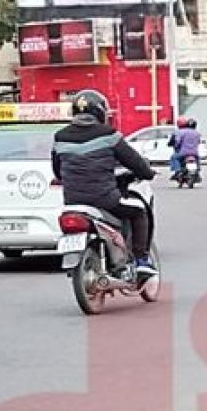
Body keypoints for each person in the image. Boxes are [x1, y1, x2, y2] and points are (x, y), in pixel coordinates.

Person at [51, 92, 157, 278]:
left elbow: (58, 170)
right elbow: (134, 162)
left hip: (73, 200)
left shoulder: (60, 137)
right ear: (101, 112)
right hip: (105, 199)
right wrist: (147, 173)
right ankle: (141, 261)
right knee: (139, 210)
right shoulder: (109, 135)